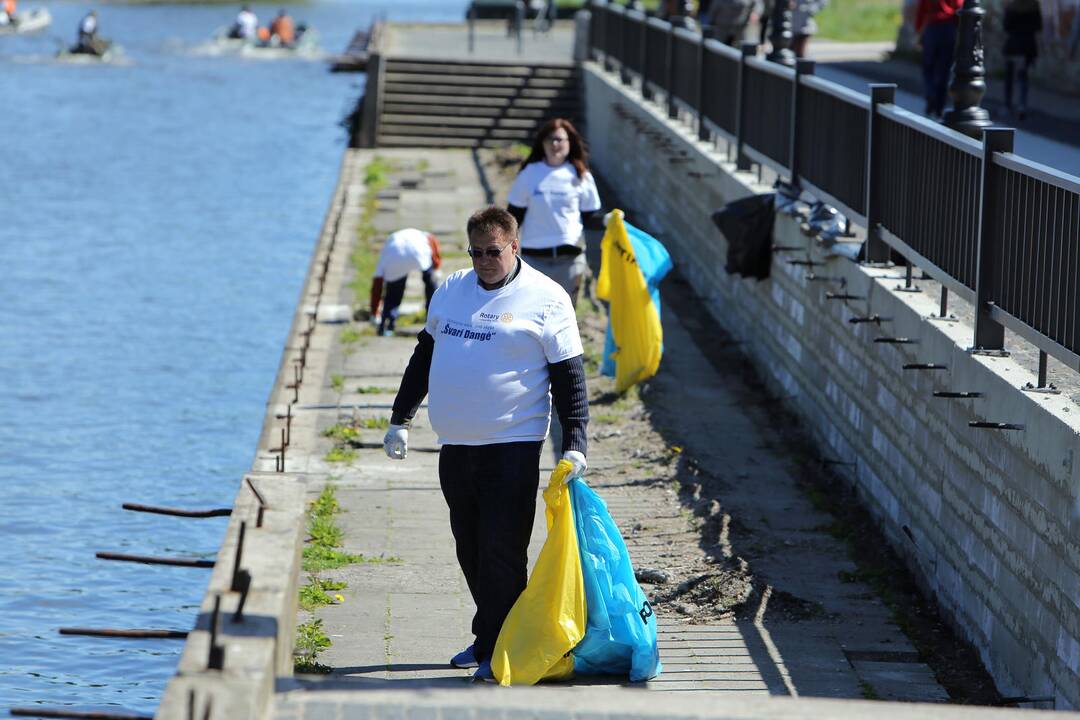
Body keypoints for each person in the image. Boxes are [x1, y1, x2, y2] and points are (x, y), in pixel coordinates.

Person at [382, 206, 589, 682]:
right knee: (469, 547)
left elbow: (571, 378)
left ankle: (504, 654)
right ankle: (487, 638)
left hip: (512, 445)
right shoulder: (452, 290)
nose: (483, 261)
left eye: (493, 252)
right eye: (475, 252)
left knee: (502, 552)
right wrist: (400, 418)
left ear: (514, 246)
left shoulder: (547, 298)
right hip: (455, 444)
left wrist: (575, 443)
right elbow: (424, 355)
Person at [506, 118, 601, 307]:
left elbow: (591, 217)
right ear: (542, 142)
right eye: (551, 139)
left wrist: (612, 222)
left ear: (570, 143)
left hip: (570, 260)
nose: (555, 144)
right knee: (532, 314)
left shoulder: (581, 175)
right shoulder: (529, 173)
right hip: (535, 261)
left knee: (564, 315)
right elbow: (513, 217)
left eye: (560, 139)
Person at [370, 228, 443, 336]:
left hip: (395, 256)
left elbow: (377, 285)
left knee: (393, 292)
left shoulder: (389, 247)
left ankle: (387, 324)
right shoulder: (425, 236)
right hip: (419, 252)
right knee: (431, 284)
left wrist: (374, 312)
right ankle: (433, 316)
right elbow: (435, 249)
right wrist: (436, 267)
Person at [915, 0, 963, 120]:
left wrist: (918, 30)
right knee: (944, 70)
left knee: (928, 67)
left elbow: (921, 11)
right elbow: (959, 7)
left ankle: (930, 93)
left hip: (932, 28)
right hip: (948, 29)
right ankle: (939, 106)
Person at [1002, 0, 1042, 120]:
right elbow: (1038, 26)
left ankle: (1008, 105)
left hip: (1013, 45)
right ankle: (1022, 105)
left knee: (1009, 77)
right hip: (1027, 46)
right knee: (1023, 76)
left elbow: (1006, 26)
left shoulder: (1012, 7)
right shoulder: (1034, 6)